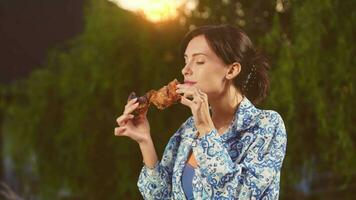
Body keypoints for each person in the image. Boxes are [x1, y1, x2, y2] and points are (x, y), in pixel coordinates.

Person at [114, 24, 287, 200]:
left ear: (232, 70)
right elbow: (161, 196)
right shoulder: (189, 128)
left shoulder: (266, 125)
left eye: (199, 61)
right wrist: (145, 141)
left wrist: (205, 128)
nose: (185, 70)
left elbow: (241, 194)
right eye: (186, 60)